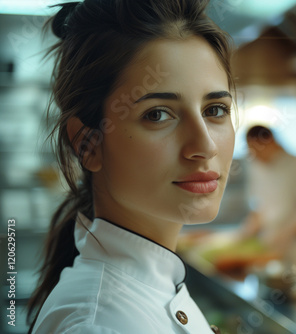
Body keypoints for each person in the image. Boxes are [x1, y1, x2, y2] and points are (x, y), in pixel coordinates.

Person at [27, 1, 235, 333]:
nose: (205, 146)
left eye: (215, 110)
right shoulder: (98, 324)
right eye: (157, 114)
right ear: (87, 144)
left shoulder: (147, 289)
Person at [242, 125, 296, 259]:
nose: (256, 156)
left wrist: (288, 233)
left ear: (270, 141)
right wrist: (245, 231)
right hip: (268, 247)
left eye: (258, 150)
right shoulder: (256, 168)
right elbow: (258, 209)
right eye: (251, 151)